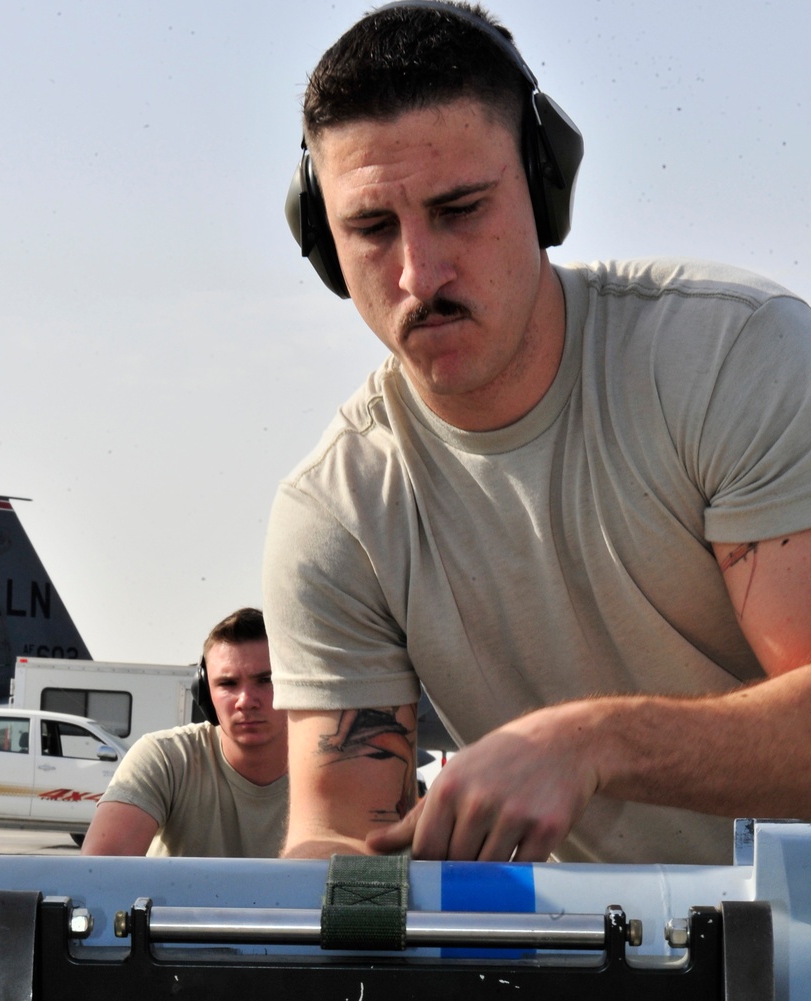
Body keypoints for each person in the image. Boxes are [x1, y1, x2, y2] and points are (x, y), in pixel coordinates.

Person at [263, 0, 811, 865]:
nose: (419, 273)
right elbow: (338, 838)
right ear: (323, 245)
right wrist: (349, 899)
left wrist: (596, 742)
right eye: (370, 228)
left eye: (460, 209)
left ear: (545, 187)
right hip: (612, 979)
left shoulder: (729, 356)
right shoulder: (336, 513)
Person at [82, 608, 288, 857]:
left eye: (266, 680)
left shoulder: (334, 771)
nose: (245, 701)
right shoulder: (166, 758)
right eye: (227, 684)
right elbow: (100, 874)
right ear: (204, 693)